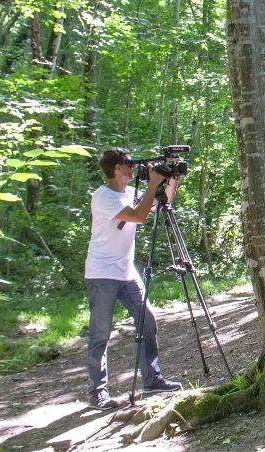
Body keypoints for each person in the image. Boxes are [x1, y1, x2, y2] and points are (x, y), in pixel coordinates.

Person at [84, 148, 182, 410]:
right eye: (129, 163)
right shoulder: (103, 196)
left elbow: (160, 202)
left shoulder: (129, 192)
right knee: (100, 333)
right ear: (117, 168)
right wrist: (152, 183)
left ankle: (152, 379)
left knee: (147, 321)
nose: (134, 167)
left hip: (126, 273)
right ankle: (97, 391)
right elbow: (139, 216)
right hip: (102, 273)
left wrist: (171, 180)